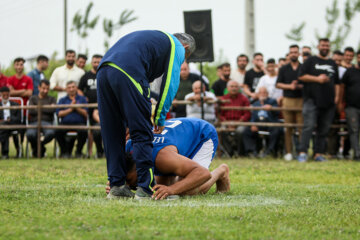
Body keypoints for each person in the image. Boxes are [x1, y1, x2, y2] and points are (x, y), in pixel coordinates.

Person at [96, 30, 195, 199]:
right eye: (185, 57)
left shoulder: (153, 40)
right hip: (128, 71)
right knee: (142, 132)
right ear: (185, 47)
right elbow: (171, 83)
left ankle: (117, 186)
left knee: (113, 133)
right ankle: (145, 189)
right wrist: (160, 116)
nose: (182, 61)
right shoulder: (176, 46)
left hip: (104, 70)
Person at [106, 118, 230, 199]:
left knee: (186, 190)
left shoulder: (162, 158)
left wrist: (171, 189)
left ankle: (221, 172)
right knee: (159, 189)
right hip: (175, 138)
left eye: (128, 179)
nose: (127, 184)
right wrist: (115, 183)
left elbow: (203, 174)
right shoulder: (127, 150)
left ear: (137, 167)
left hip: (201, 134)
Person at [297, 38, 340, 162]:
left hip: (328, 102)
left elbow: (337, 83)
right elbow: (301, 76)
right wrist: (317, 79)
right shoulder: (310, 61)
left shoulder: (332, 63)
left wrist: (336, 97)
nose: (325, 47)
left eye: (327, 45)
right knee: (309, 126)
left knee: (324, 129)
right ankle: (302, 152)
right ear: (318, 46)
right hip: (311, 100)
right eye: (323, 45)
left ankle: (318, 154)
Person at [276, 44, 304, 161]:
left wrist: (299, 86)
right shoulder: (284, 68)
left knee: (301, 128)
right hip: (287, 100)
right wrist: (290, 86)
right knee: (288, 128)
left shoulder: (303, 67)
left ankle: (302, 152)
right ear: (289, 54)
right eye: (291, 52)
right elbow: (278, 84)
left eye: (295, 52)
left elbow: (308, 83)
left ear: (299, 54)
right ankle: (288, 152)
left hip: (301, 99)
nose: (293, 54)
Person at [243, 87, 282, 158]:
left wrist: (272, 108)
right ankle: (251, 152)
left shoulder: (272, 101)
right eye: (261, 93)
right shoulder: (255, 103)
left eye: (264, 93)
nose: (263, 94)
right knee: (246, 131)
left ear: (267, 94)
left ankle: (270, 151)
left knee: (276, 130)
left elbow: (277, 113)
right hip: (258, 124)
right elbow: (252, 116)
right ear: (257, 94)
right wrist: (253, 124)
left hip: (270, 123)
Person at [78, 54, 103, 157]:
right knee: (91, 130)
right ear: (91, 62)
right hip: (89, 106)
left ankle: (101, 151)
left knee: (101, 129)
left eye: (98, 62)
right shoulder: (86, 76)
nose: (96, 64)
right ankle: (90, 152)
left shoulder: (104, 74)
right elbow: (79, 89)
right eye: (94, 62)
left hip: (103, 106)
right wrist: (83, 97)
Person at [56, 81, 88, 158]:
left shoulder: (83, 99)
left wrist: (76, 107)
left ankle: (78, 152)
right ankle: (64, 152)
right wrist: (70, 109)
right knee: (57, 131)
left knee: (84, 131)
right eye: (69, 87)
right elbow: (59, 114)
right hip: (65, 124)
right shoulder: (62, 100)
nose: (71, 89)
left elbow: (86, 113)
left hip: (79, 123)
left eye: (73, 87)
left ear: (76, 88)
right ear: (66, 89)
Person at [219, 80, 251, 157]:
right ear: (227, 88)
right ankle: (229, 152)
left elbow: (247, 113)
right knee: (221, 131)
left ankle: (240, 153)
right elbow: (219, 114)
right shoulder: (223, 99)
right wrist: (226, 122)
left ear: (239, 88)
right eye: (232, 86)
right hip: (226, 122)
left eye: (236, 86)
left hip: (240, 122)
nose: (234, 88)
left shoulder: (244, 99)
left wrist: (239, 122)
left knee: (241, 131)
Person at [26, 80, 56, 158]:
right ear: (39, 88)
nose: (45, 91)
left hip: (47, 122)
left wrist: (38, 108)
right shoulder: (33, 98)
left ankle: (38, 147)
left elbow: (52, 110)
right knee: (30, 134)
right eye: (43, 88)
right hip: (34, 122)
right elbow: (31, 111)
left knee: (51, 133)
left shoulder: (52, 98)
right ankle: (40, 149)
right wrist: (47, 107)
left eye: (47, 89)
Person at [341, 50, 360, 160]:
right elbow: (342, 88)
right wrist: (340, 103)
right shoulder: (350, 72)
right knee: (353, 130)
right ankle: (357, 154)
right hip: (351, 107)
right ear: (357, 58)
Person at [0, 87, 21, 159]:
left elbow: (18, 119)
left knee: (3, 128)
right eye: (4, 95)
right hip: (2, 127)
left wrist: (10, 119)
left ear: (9, 95)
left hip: (12, 124)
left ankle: (5, 153)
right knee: (4, 128)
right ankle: (5, 153)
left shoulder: (15, 105)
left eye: (7, 95)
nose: (5, 97)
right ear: (1, 95)